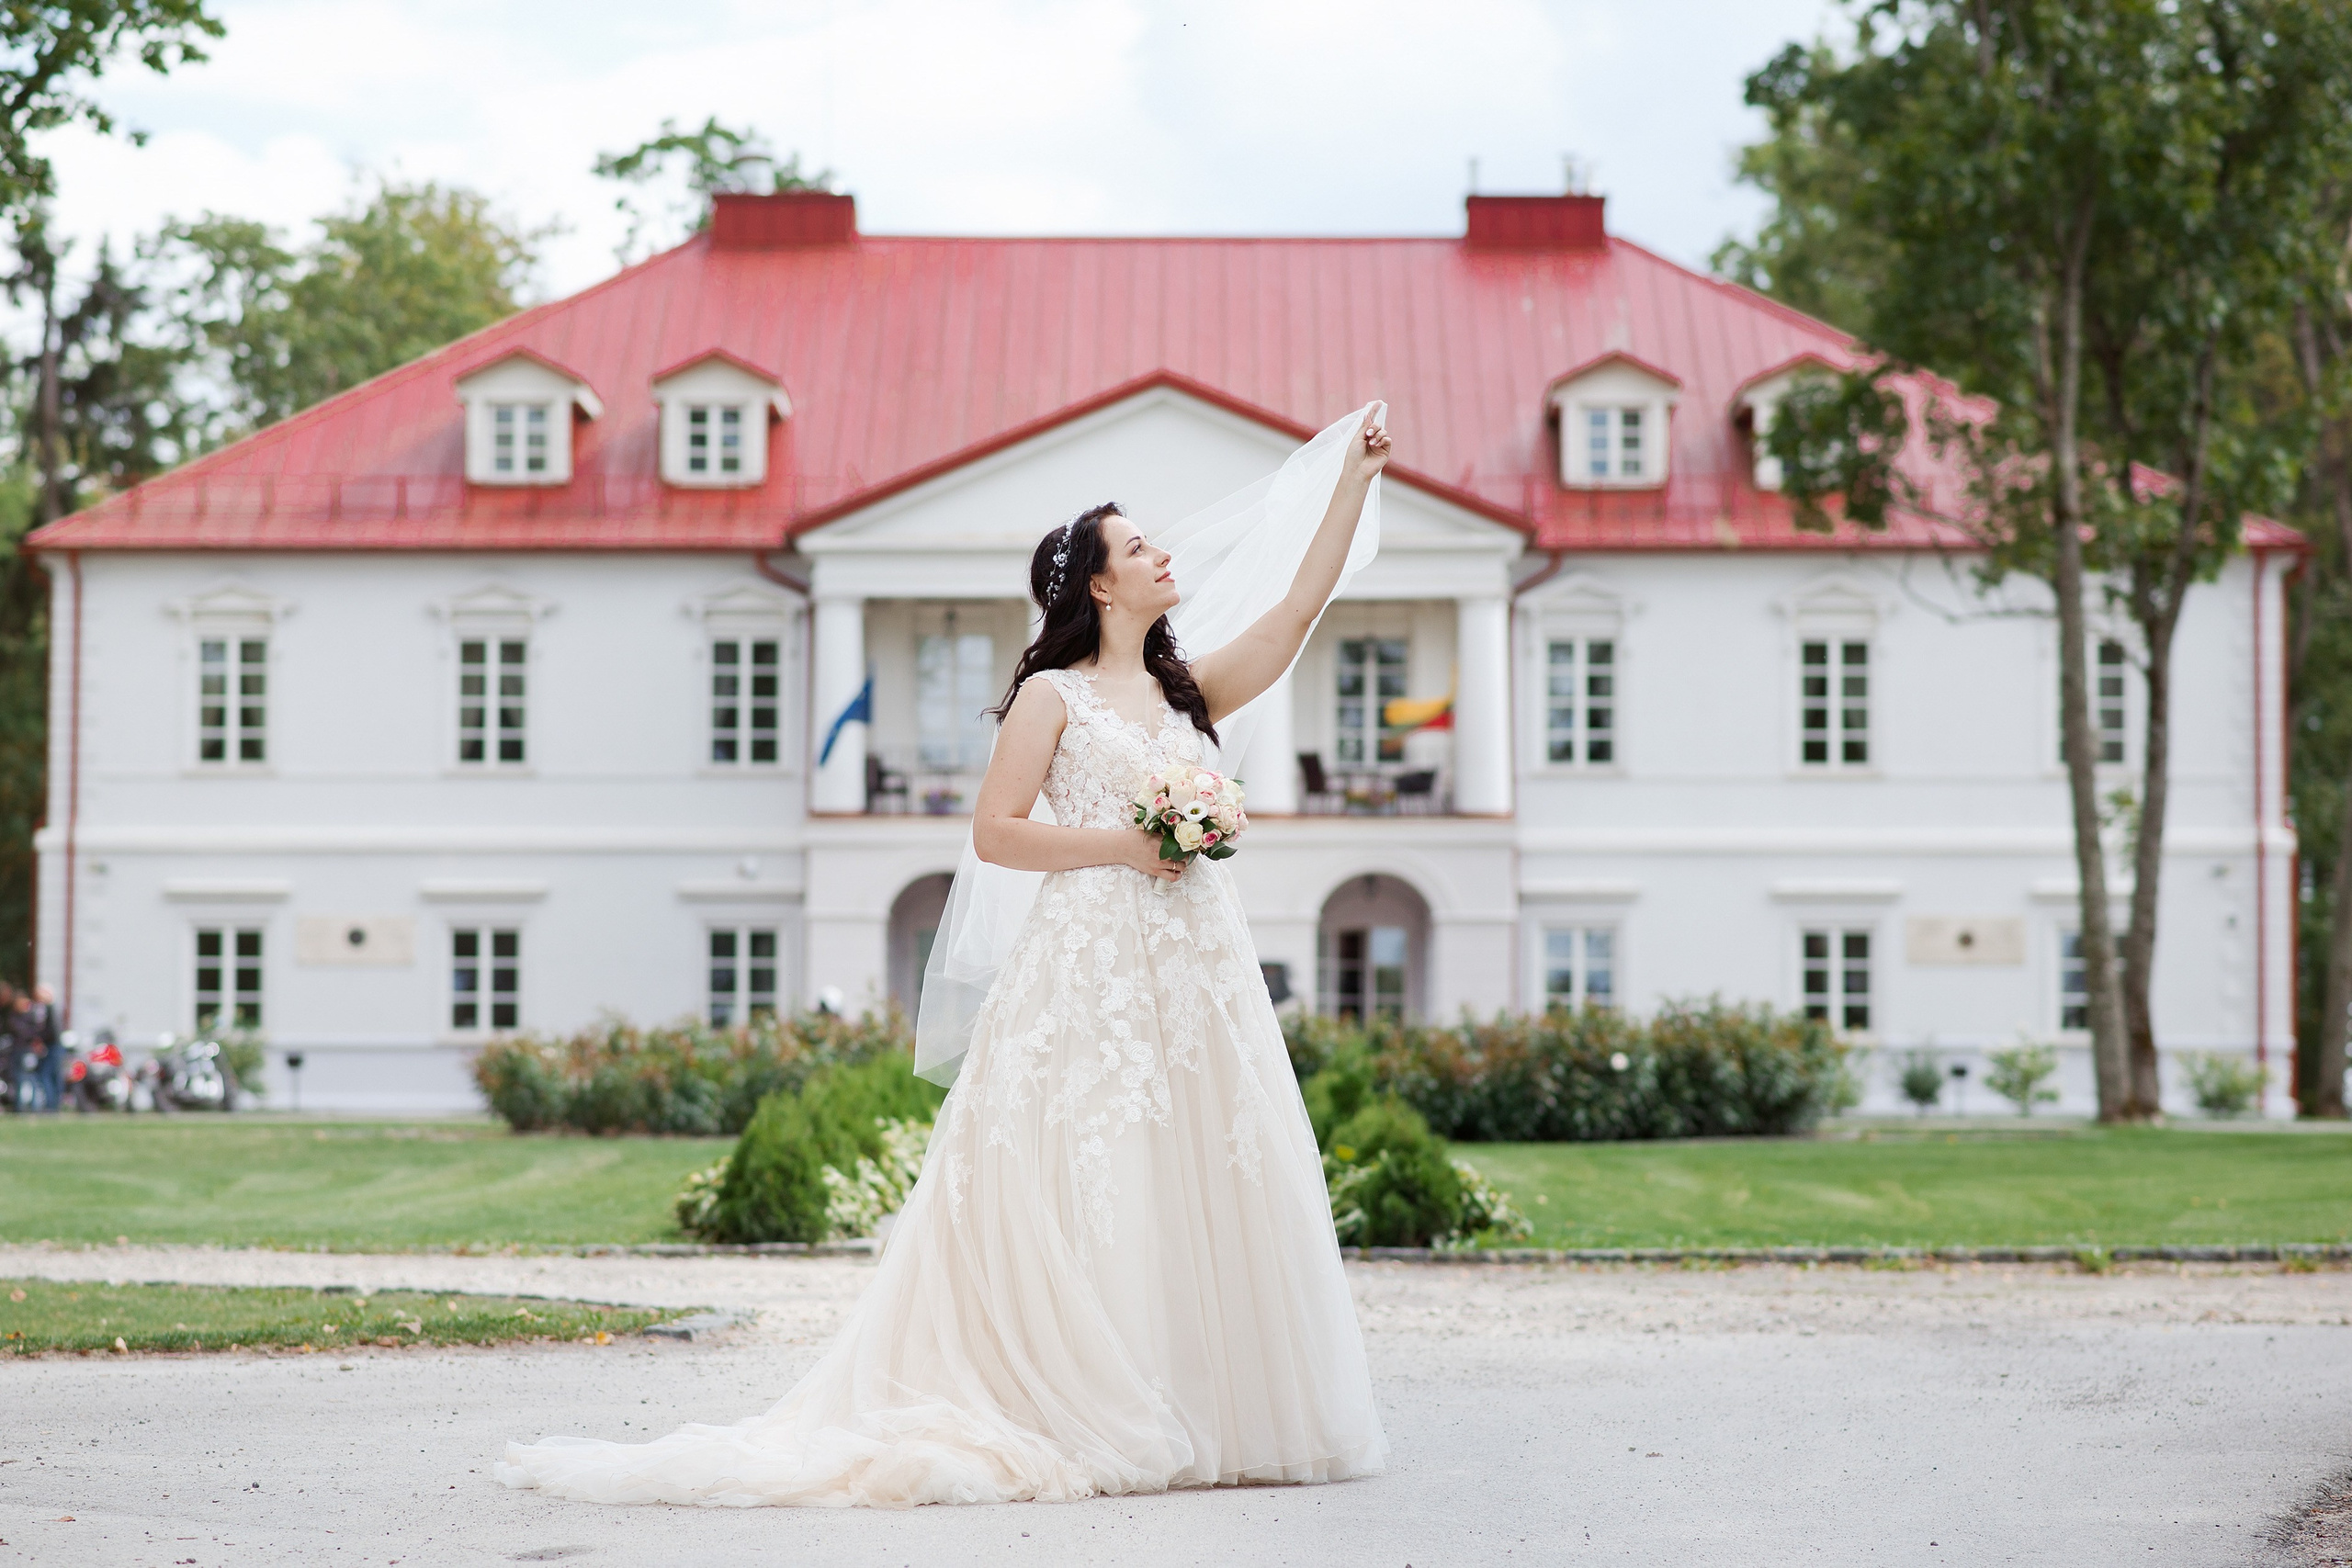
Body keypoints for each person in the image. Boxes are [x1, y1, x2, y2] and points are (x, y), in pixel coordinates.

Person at [499, 405, 1395, 1508]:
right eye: (1139, 547)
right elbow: (997, 834)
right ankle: (1083, 1397)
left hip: (1192, 964)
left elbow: (1297, 610)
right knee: (1091, 1169)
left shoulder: (1183, 695)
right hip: (1089, 962)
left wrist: (1348, 479)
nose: (1165, 555)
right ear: (1100, 589)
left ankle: (1201, 1402)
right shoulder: (1047, 698)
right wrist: (1134, 841)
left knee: (1199, 1163)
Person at [28, 985, 61, 1113]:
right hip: (53, 1046)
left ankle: (51, 1106)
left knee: (46, 1075)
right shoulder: (50, 1009)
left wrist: (39, 1038)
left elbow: (52, 1031)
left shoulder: (50, 1009)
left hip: (52, 1047)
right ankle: (52, 1105)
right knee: (50, 1076)